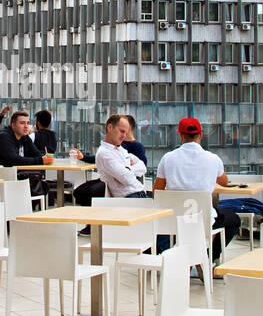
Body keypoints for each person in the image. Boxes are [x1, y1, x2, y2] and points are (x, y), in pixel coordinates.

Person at [154, 117, 240, 266]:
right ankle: (207, 258)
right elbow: (224, 182)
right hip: (203, 221)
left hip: (174, 221)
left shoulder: (167, 159)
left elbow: (157, 191)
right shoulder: (213, 159)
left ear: (180, 136)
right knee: (233, 220)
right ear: (200, 135)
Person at [0, 111, 47, 197]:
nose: (26, 126)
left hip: (12, 175)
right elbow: (13, 160)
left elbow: (36, 154)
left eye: (27, 123)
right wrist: (40, 160)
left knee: (39, 182)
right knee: (35, 182)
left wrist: (43, 158)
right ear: (13, 125)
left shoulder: (24, 137)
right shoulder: (4, 137)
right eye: (22, 123)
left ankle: (30, 204)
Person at [94, 113, 149, 198]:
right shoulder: (104, 153)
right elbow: (127, 179)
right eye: (122, 131)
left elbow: (143, 167)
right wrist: (128, 171)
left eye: (126, 133)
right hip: (129, 199)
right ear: (110, 127)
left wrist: (127, 169)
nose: (124, 136)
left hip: (140, 194)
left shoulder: (121, 150)